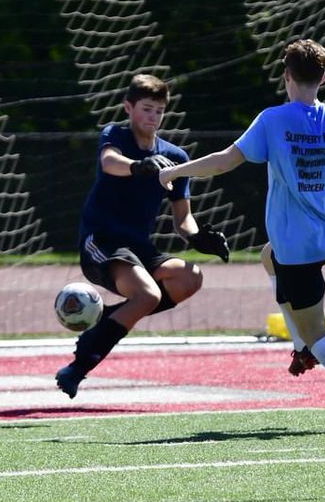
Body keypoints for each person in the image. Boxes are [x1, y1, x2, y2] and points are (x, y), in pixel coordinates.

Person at [159, 39, 325, 433]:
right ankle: (302, 348)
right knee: (267, 256)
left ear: (287, 75)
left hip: (298, 246)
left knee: (318, 333)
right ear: (324, 77)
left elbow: (226, 160)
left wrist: (176, 172)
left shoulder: (273, 120)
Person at [54, 73, 230, 399]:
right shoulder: (116, 135)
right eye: (146, 109)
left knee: (190, 277)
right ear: (128, 107)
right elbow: (110, 163)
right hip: (102, 241)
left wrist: (197, 238)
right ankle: (80, 365)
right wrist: (139, 166)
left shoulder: (176, 159)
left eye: (159, 111)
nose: (153, 117)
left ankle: (106, 320)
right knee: (147, 296)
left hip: (139, 248)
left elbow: (183, 219)